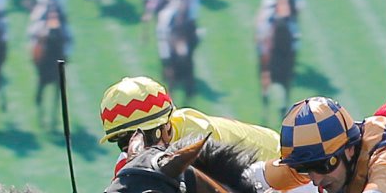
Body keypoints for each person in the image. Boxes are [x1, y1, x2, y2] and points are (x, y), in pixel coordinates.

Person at [97, 75, 280, 167]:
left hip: (277, 161)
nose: (133, 150)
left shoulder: (196, 140)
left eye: (141, 139)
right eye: (122, 143)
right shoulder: (128, 160)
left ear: (165, 127)